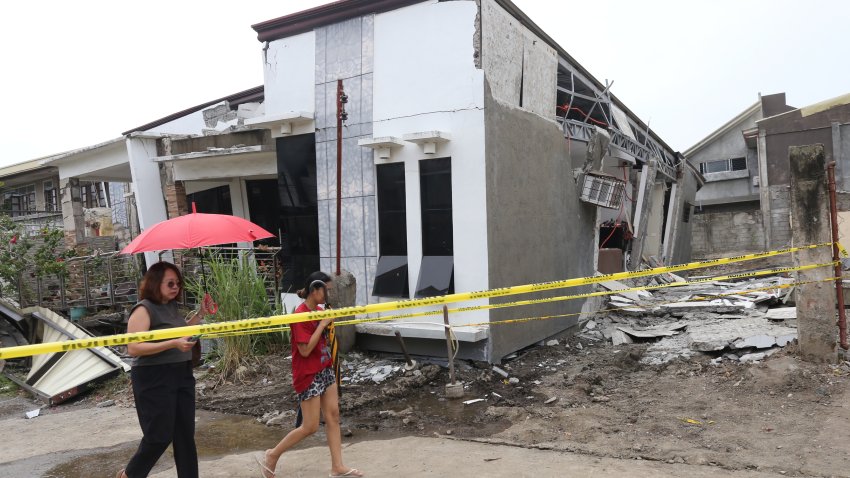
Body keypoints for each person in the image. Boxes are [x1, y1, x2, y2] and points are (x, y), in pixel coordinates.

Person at [257, 271, 363, 478]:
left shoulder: (321, 310)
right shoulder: (300, 315)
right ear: (316, 290)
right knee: (310, 426)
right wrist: (322, 324)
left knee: (333, 416)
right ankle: (272, 454)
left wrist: (325, 322)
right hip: (308, 374)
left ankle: (337, 466)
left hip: (325, 368)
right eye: (327, 291)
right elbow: (305, 350)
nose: (330, 296)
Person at [116, 261, 214, 478]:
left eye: (178, 283)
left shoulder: (171, 307)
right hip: (154, 377)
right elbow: (133, 348)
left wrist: (200, 314)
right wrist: (173, 344)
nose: (175, 287)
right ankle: (130, 474)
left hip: (181, 373)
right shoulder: (143, 309)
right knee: (158, 436)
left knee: (185, 436)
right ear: (154, 283)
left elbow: (181, 333)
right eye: (170, 283)